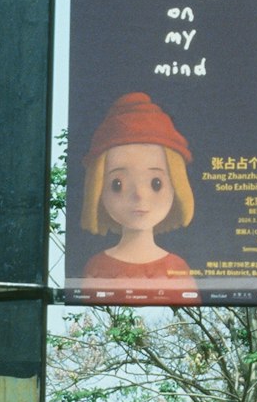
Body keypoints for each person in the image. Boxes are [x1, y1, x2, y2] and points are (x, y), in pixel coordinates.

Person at [76, 92, 195, 294]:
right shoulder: (96, 268)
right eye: (117, 184)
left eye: (155, 183)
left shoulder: (178, 269)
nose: (139, 195)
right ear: (97, 188)